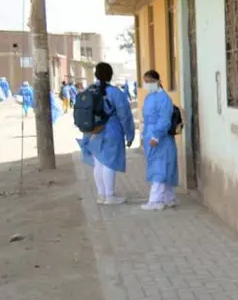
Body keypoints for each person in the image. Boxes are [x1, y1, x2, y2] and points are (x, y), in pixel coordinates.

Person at [77, 62, 136, 205]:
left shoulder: (89, 89)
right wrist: (130, 135)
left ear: (96, 74)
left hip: (93, 132)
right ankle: (110, 196)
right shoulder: (115, 92)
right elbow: (125, 115)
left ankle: (101, 195)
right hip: (111, 130)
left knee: (98, 163)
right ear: (110, 75)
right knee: (109, 163)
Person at [139, 70, 179, 211]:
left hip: (160, 138)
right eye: (145, 81)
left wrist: (156, 136)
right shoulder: (150, 97)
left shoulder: (164, 99)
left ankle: (155, 201)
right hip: (150, 134)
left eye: (149, 81)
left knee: (159, 168)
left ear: (157, 81)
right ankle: (168, 198)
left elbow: (164, 120)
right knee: (163, 166)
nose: (147, 84)